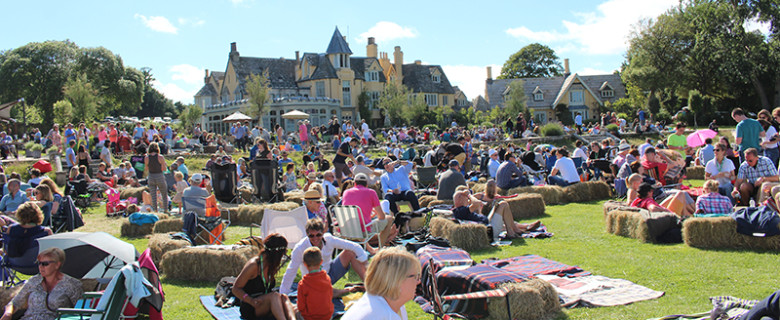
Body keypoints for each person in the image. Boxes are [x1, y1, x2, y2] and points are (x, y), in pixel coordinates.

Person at [280, 219, 369, 296]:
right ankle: (349, 290)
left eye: (318, 235)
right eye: (311, 236)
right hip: (313, 281)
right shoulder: (300, 248)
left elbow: (355, 246)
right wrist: (283, 293)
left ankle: (369, 285)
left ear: (323, 233)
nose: (315, 238)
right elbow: (291, 270)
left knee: (350, 252)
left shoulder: (329, 239)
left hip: (329, 274)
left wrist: (365, 263)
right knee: (320, 294)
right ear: (307, 234)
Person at [1, 247, 82, 320]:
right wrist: (8, 314)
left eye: (45, 264)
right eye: (39, 263)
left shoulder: (72, 284)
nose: (40, 267)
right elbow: (14, 303)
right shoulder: (34, 281)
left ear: (57, 264)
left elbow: (81, 311)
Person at [342, 246, 420, 320]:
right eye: (415, 276)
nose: (418, 281)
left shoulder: (390, 305)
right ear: (397, 280)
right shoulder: (382, 315)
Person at [233, 234, 296, 320]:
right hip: (251, 306)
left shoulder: (271, 264)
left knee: (283, 297)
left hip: (265, 302)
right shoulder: (254, 265)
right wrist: (250, 300)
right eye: (284, 252)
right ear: (277, 253)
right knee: (274, 296)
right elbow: (235, 288)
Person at [471, 181, 541, 239]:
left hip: (492, 217)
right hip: (487, 219)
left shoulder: (496, 197)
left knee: (508, 220)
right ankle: (523, 228)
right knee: (506, 221)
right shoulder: (479, 196)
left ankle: (524, 227)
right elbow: (471, 201)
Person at [343, 173, 396, 248]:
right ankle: (379, 248)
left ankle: (371, 247)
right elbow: (381, 217)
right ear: (367, 184)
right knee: (389, 219)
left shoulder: (346, 193)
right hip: (363, 229)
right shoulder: (371, 192)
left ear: (355, 184)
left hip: (347, 229)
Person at [297, 247, 334, 320]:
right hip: (327, 316)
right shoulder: (327, 279)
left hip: (309, 317)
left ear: (305, 264)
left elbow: (301, 306)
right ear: (321, 262)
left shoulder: (303, 284)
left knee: (295, 312)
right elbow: (330, 297)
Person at [144, 142, 168, 213]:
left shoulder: (147, 157)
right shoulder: (160, 157)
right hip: (159, 175)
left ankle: (155, 210)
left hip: (151, 176)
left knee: (153, 195)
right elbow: (164, 169)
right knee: (164, 194)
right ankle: (165, 210)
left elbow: (146, 168)